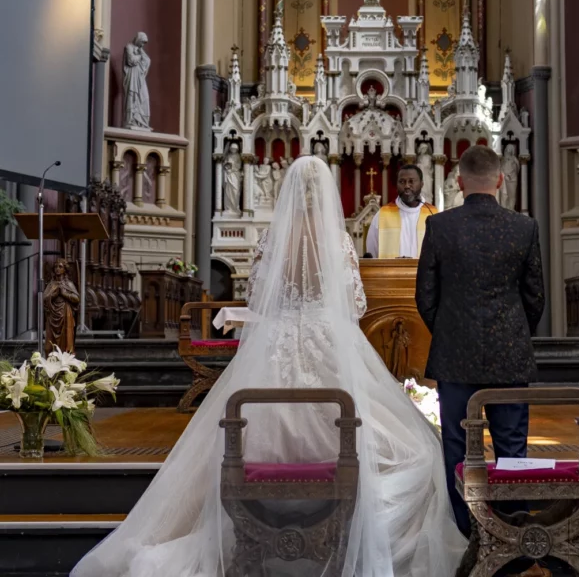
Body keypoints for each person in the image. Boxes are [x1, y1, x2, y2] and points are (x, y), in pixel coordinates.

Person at [71, 157, 465, 577]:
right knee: (408, 449)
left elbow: (257, 300)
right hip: (331, 342)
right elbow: (356, 306)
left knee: (245, 432)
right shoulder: (336, 240)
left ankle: (256, 535)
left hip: (274, 343)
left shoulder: (270, 241)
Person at [415, 144, 547, 577]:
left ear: (458, 182)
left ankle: (464, 534)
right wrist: (512, 332)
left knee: (455, 444)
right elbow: (535, 296)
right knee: (512, 447)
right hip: (509, 353)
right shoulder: (523, 227)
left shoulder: (439, 226)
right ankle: (513, 539)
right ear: (500, 180)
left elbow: (425, 298)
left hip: (454, 355)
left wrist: (451, 331)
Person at [365, 165, 437, 258]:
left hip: (424, 272)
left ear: (421, 184)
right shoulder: (383, 215)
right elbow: (372, 253)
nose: (406, 186)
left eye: (411, 181)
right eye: (402, 182)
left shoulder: (433, 214)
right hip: (390, 272)